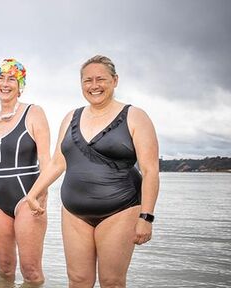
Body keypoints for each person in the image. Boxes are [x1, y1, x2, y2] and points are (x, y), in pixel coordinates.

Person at [26, 55, 160, 287]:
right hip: (74, 213)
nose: (94, 85)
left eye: (101, 79)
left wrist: (146, 217)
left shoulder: (136, 116)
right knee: (77, 280)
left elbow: (150, 171)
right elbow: (58, 162)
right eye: (87, 80)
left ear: (115, 80)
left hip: (120, 210)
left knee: (112, 282)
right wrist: (33, 192)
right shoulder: (71, 117)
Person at [0, 59, 51, 287]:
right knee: (5, 269)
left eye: (12, 79)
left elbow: (46, 159)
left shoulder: (34, 113)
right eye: (1, 78)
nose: (5, 84)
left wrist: (42, 193)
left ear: (20, 85)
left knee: (31, 272)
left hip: (28, 196)